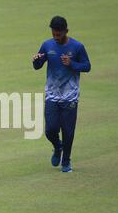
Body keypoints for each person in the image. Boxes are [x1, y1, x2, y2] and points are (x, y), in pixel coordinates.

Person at [32, 16, 91, 172]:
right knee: (50, 129)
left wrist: (72, 64)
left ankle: (66, 161)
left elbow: (87, 66)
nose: (56, 37)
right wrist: (35, 60)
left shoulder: (77, 47)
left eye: (59, 34)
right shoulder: (47, 45)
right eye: (54, 34)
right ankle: (58, 147)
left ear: (66, 31)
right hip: (52, 94)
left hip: (70, 96)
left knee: (68, 131)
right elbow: (38, 65)